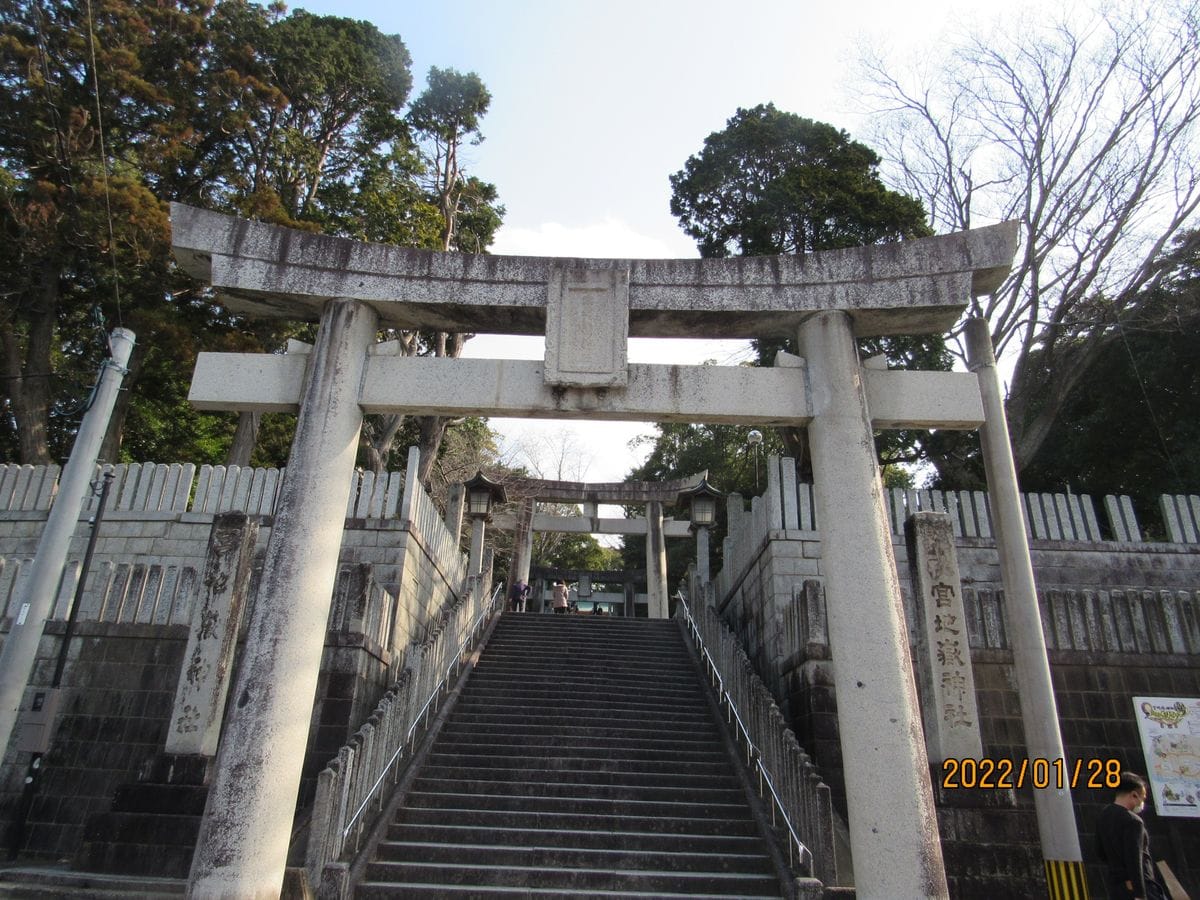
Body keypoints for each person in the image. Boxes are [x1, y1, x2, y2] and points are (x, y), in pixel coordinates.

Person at [1095, 772, 1166, 900]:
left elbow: (1100, 852)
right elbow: (1134, 858)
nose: (1142, 803)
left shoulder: (1103, 816)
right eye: (1142, 798)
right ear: (1134, 795)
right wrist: (1140, 894)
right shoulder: (1133, 821)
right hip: (1139, 885)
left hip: (1117, 887)